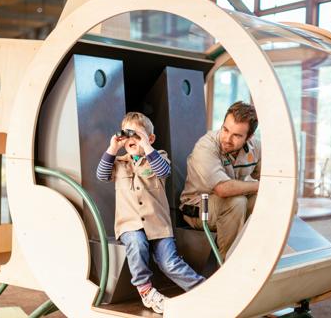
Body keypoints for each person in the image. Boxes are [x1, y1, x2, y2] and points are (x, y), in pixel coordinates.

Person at [96, 112, 204, 314]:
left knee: (170, 263)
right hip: (130, 225)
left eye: (137, 135)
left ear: (150, 138)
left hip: (158, 225)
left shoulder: (158, 157)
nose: (132, 139)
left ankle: (202, 290)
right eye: (128, 135)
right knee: (136, 243)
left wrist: (146, 146)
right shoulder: (119, 163)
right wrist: (113, 147)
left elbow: (163, 172)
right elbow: (101, 175)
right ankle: (146, 291)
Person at [180, 101, 260, 259]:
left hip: (232, 204)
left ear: (249, 137)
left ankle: (257, 257)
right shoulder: (206, 145)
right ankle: (228, 266)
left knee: (264, 200)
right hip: (196, 207)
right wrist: (259, 185)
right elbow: (223, 189)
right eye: (225, 129)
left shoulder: (256, 147)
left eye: (237, 135)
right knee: (237, 202)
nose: (227, 139)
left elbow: (272, 181)